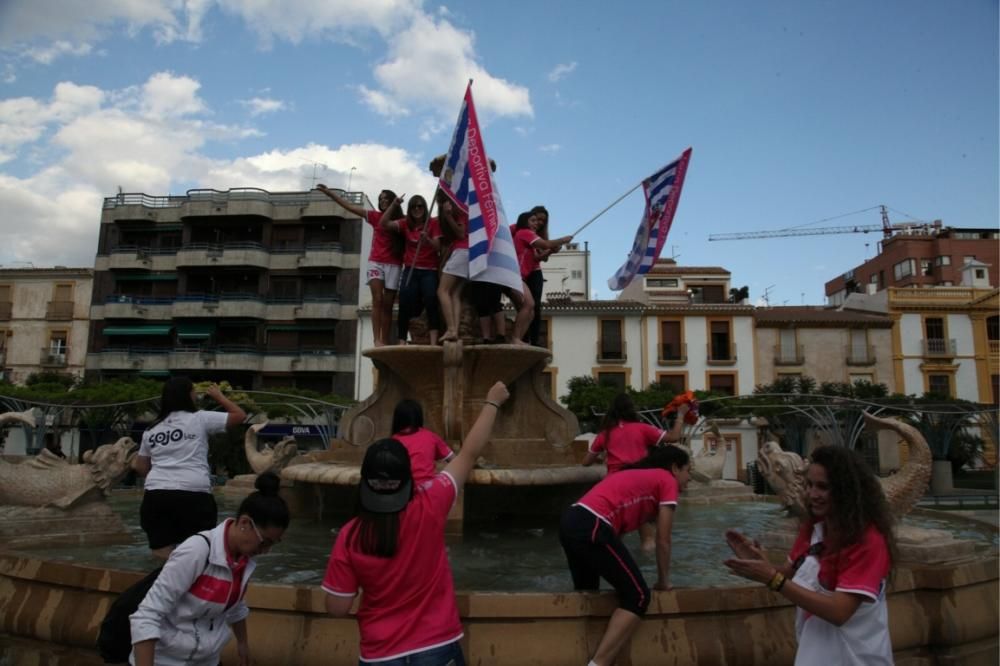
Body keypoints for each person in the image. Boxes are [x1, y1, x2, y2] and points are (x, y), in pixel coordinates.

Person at [323, 382, 511, 665]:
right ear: (407, 478)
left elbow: (338, 607)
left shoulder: (350, 535)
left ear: (364, 482)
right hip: (437, 643)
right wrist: (492, 402)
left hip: (380, 652)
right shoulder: (431, 503)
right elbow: (468, 454)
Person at [724, 445, 895, 665]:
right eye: (809, 485)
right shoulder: (814, 529)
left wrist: (773, 579)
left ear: (847, 489)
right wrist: (759, 563)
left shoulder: (868, 541)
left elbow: (839, 612)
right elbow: (789, 574)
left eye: (823, 487)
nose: (812, 494)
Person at [130, 471, 289, 666]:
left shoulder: (244, 559)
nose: (266, 551)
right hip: (165, 660)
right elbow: (147, 615)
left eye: (274, 544)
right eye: (265, 542)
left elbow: (236, 605)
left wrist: (242, 644)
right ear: (245, 523)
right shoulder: (197, 552)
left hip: (206, 660)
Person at [560, 445, 691, 666]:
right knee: (639, 596)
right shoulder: (666, 480)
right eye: (689, 470)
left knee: (589, 593)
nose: (690, 478)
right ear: (675, 468)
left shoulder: (639, 477)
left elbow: (615, 538)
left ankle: (577, 652)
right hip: (592, 525)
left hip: (571, 522)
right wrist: (663, 581)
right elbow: (663, 540)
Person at [132, 378, 247, 559]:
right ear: (187, 395)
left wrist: (160, 479)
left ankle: (167, 582)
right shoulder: (199, 418)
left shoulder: (151, 429)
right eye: (193, 391)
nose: (196, 395)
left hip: (156, 495)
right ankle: (191, 583)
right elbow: (239, 415)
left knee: (161, 549)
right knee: (198, 550)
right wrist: (219, 396)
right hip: (194, 493)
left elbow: (140, 465)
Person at [582, 394, 689, 551]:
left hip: (614, 486)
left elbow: (585, 463)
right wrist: (680, 415)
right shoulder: (642, 429)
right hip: (639, 485)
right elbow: (673, 437)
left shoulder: (605, 434)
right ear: (632, 410)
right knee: (648, 539)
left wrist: (603, 457)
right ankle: (647, 567)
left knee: (613, 538)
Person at [317, 184, 404, 347]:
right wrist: (330, 193)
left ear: (393, 200)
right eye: (380, 199)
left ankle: (384, 340)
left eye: (386, 198)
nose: (382, 200)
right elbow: (349, 206)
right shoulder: (374, 216)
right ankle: (376, 340)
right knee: (377, 299)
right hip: (376, 262)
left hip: (394, 264)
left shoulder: (402, 221)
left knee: (388, 304)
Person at [513, 210, 572, 346]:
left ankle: (519, 338)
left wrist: (551, 249)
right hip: (517, 276)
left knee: (531, 311)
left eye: (540, 221)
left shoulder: (526, 236)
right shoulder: (525, 233)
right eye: (533, 220)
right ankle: (516, 338)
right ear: (525, 221)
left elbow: (537, 258)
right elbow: (545, 244)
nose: (537, 224)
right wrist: (563, 240)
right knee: (529, 305)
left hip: (521, 276)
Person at [389, 195, 443, 345]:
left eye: (420, 206)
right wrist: (394, 204)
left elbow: (438, 247)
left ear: (425, 208)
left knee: (431, 300)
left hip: (429, 270)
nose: (417, 209)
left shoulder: (432, 223)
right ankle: (401, 340)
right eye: (414, 207)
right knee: (404, 301)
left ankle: (433, 342)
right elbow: (384, 224)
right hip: (410, 270)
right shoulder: (406, 223)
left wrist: (428, 241)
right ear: (410, 209)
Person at [390, 398, 455, 485]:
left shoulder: (392, 441)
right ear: (419, 418)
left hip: (403, 492)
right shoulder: (430, 436)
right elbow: (454, 460)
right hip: (428, 489)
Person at [436, 195, 469, 343]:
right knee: (455, 294)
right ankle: (455, 331)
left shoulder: (461, 211)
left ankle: (450, 329)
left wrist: (448, 216)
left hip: (462, 253)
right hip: (468, 255)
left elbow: (461, 234)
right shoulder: (467, 209)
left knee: (442, 291)